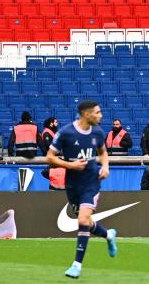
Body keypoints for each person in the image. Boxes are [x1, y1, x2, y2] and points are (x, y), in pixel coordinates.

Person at [46, 101, 117, 279]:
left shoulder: (98, 132)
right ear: (87, 114)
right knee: (86, 221)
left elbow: (103, 152)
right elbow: (49, 157)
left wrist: (106, 167)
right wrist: (70, 164)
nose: (101, 115)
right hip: (72, 185)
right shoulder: (66, 133)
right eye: (98, 112)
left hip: (91, 183)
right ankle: (108, 235)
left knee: (82, 219)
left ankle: (77, 265)